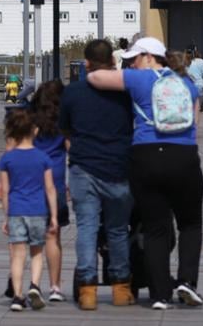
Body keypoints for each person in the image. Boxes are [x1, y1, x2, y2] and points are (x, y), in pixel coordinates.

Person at [86, 36, 203, 310]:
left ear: (149, 57)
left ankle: (160, 294)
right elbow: (195, 124)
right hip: (184, 156)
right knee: (190, 224)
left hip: (146, 155)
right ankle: (187, 281)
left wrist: (117, 68)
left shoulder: (138, 80)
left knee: (155, 228)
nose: (131, 63)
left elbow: (96, 79)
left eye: (135, 58)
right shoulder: (187, 84)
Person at [59, 38, 136, 311]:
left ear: (87, 63)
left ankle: (88, 290)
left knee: (87, 229)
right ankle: (121, 288)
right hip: (118, 168)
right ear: (113, 62)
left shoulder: (73, 92)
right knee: (117, 230)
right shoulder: (126, 92)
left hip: (83, 168)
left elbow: (65, 129)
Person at [0, 108, 59, 312]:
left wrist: (6, 216)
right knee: (37, 252)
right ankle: (34, 285)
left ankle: (17, 296)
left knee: (18, 254)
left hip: (16, 210)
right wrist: (54, 217)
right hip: (38, 210)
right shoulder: (43, 158)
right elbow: (50, 188)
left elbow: (5, 190)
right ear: (34, 131)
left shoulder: (7, 160)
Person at [31, 79, 69, 303]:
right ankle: (55, 287)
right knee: (53, 235)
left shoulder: (31, 121)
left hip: (32, 182)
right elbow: (71, 151)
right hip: (56, 182)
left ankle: (34, 282)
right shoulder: (63, 124)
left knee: (35, 237)